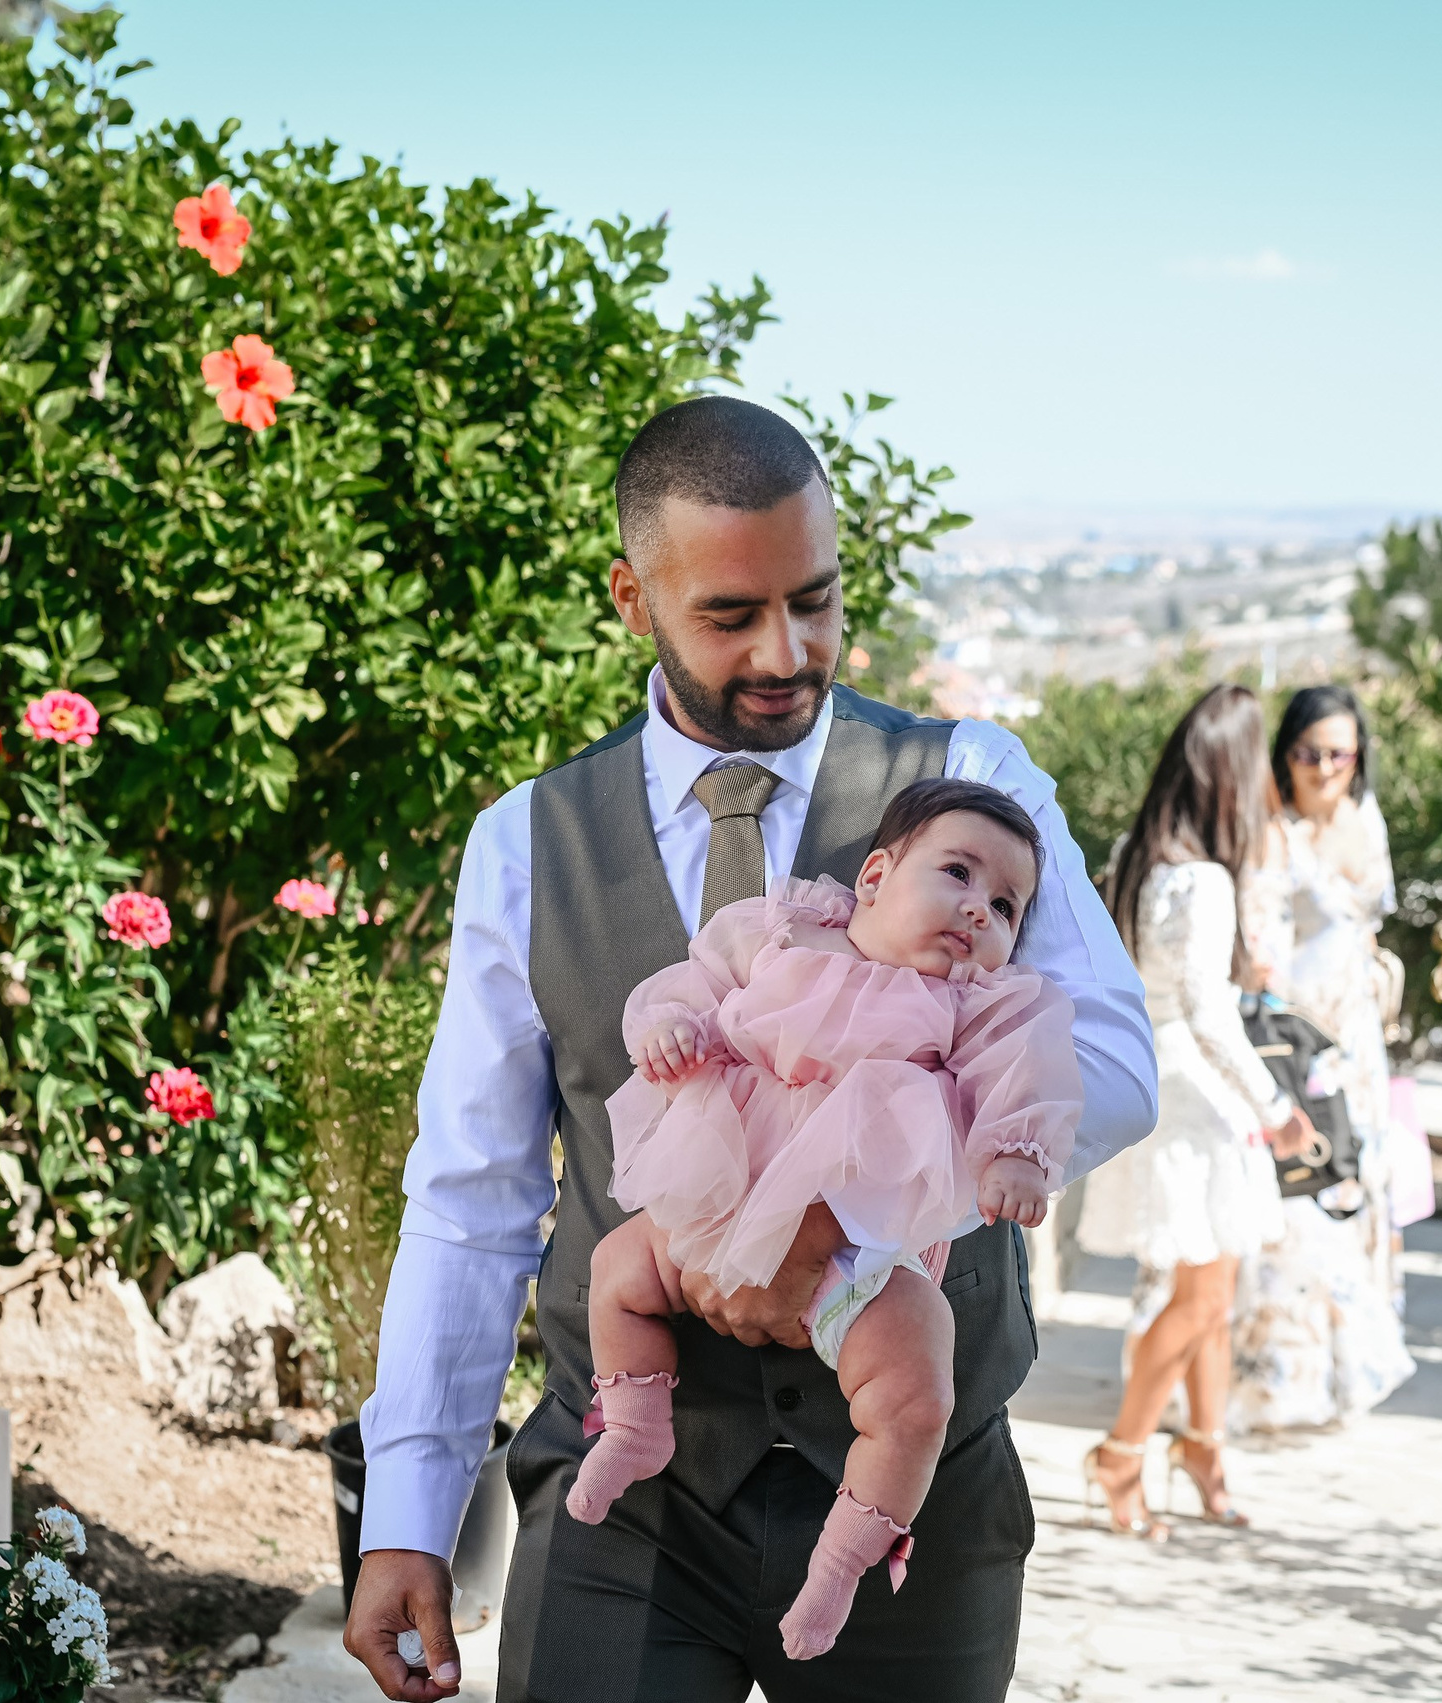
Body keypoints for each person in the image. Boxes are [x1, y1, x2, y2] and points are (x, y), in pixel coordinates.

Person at [342, 395, 1157, 1703]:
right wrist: (407, 1513)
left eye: (815, 600)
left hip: (914, 1498)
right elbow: (470, 1198)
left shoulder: (972, 778)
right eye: (731, 615)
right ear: (633, 597)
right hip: (628, 1498)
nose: (788, 650)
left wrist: (843, 1210)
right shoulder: (527, 843)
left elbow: (1110, 1064)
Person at [572, 778, 1081, 1661]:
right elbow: (692, 983)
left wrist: (1013, 1155)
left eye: (1006, 905)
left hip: (858, 1256)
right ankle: (634, 1424)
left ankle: (841, 1564)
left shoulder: (975, 1004)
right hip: (715, 1206)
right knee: (618, 1272)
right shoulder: (782, 931)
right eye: (957, 873)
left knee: (916, 1393)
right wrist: (670, 1026)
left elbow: (1022, 1074)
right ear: (875, 876)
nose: (979, 908)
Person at [1074, 684, 1306, 1537]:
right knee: (1205, 1296)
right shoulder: (1205, 879)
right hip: (1200, 1093)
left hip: (1159, 1081)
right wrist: (1275, 1106)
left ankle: (1204, 1448)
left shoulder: (1140, 853)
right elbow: (1210, 1011)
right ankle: (1122, 1452)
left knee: (1214, 1282)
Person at [1229, 684, 1416, 1432]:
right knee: (1297, 1198)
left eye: (1340, 753)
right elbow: (1258, 945)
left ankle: (1345, 1376)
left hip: (1357, 1041)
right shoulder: (1271, 830)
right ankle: (1277, 1384)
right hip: (1297, 1043)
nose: (1325, 767)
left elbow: (1367, 928)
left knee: (1354, 1187)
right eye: (1310, 752)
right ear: (1287, 754)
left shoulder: (1367, 819)